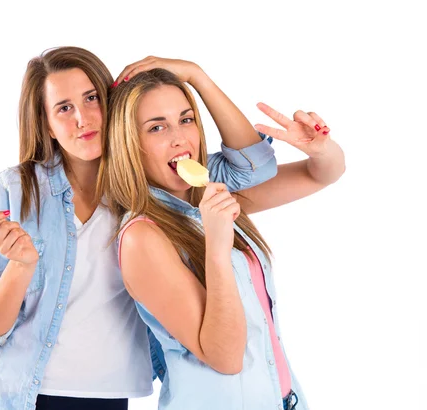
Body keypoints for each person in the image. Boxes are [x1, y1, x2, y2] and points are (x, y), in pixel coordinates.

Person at [0, 47, 279, 410]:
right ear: (45, 122)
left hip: (109, 398)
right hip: (16, 396)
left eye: (92, 98)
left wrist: (195, 74)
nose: (83, 118)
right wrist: (20, 266)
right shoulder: (14, 190)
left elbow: (254, 168)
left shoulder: (150, 184)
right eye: (64, 108)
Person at [100, 68, 345, 410]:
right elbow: (226, 357)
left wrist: (320, 148)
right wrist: (217, 248)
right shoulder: (143, 236)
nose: (179, 139)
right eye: (156, 127)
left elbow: (320, 175)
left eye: (186, 120)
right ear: (129, 145)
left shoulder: (210, 200)